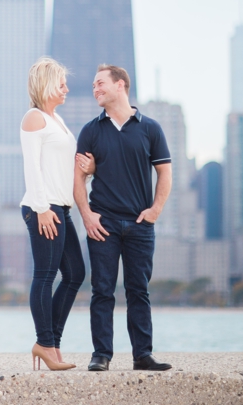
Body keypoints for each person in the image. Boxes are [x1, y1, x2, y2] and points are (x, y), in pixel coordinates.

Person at [73, 64, 174, 372]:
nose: (95, 89)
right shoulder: (91, 130)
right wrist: (87, 216)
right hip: (102, 224)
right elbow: (78, 179)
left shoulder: (150, 128)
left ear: (121, 85)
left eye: (100, 83)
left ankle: (143, 355)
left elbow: (165, 173)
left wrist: (155, 210)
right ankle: (101, 355)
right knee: (102, 290)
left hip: (140, 225)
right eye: (93, 85)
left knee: (138, 291)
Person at [20, 57, 89, 371]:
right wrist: (42, 208)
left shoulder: (57, 119)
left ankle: (51, 342)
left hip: (61, 208)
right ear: (47, 85)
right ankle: (44, 343)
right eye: (61, 83)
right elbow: (31, 168)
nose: (66, 88)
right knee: (45, 276)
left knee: (75, 274)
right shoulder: (34, 118)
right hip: (43, 208)